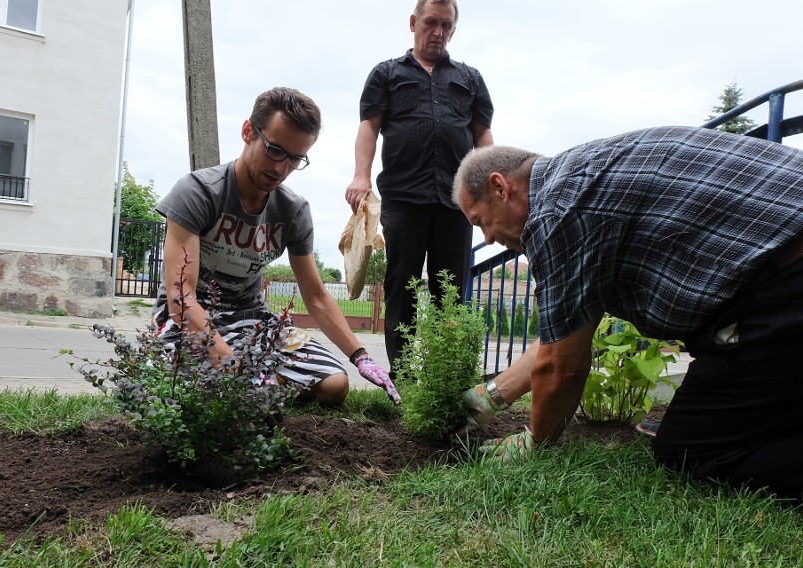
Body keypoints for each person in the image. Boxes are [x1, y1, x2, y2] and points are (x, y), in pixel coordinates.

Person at [452, 125, 803, 500]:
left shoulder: (556, 212)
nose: (487, 238)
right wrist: (487, 397)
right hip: (781, 274)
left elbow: (562, 367)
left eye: (480, 221)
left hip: (785, 284)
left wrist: (536, 441)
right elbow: (562, 335)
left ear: (500, 188)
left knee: (690, 449)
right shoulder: (579, 180)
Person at [153, 87, 400, 406]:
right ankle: (240, 382)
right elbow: (179, 297)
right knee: (214, 388)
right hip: (191, 317)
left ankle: (261, 386)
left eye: (296, 158)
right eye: (275, 150)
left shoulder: (292, 211)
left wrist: (361, 356)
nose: (282, 168)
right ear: (248, 133)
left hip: (251, 318)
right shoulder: (199, 193)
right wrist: (233, 365)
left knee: (334, 385)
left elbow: (316, 296)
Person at [345, 0, 494, 376]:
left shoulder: (470, 79)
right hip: (403, 198)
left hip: (455, 201)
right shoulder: (387, 73)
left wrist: (489, 190)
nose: (438, 31)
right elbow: (369, 128)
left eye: (446, 25)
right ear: (414, 23)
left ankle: (447, 376)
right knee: (402, 286)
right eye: (431, 22)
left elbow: (483, 136)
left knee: (452, 291)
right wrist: (361, 175)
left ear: (453, 30)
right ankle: (405, 378)